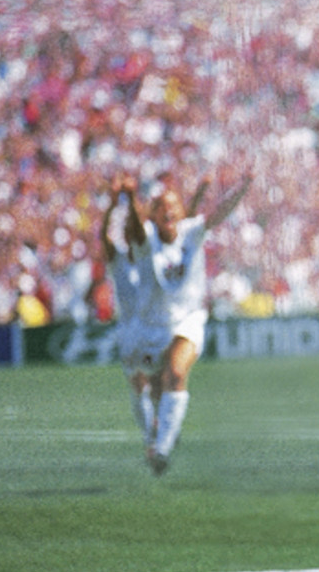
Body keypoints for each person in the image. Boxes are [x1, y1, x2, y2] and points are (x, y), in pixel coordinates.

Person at [125, 170, 252, 474]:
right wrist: (129, 198)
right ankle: (161, 431)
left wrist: (241, 187)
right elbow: (133, 227)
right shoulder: (146, 240)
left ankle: (162, 450)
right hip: (153, 327)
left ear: (181, 212)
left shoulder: (192, 230)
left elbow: (218, 213)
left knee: (176, 373)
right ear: (153, 216)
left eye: (173, 204)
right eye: (160, 206)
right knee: (154, 389)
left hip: (189, 320)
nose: (168, 209)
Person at [100, 174, 153, 455]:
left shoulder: (148, 256)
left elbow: (141, 223)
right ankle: (151, 438)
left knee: (156, 384)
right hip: (129, 330)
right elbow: (103, 235)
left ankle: (160, 429)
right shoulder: (118, 257)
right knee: (137, 385)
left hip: (154, 326)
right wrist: (111, 204)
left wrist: (131, 198)